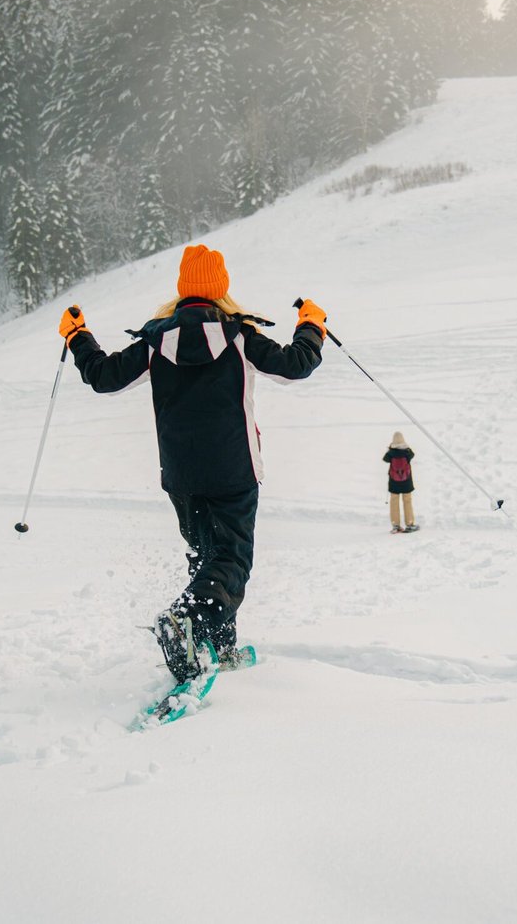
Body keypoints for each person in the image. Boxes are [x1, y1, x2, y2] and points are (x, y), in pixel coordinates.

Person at [61, 244, 326, 683]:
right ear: (220, 290)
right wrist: (311, 324)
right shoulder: (240, 336)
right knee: (231, 560)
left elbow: (104, 377)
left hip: (181, 475)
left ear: (183, 290)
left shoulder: (154, 342)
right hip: (234, 469)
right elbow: (296, 366)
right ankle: (186, 621)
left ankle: (216, 646)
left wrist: (77, 336)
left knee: (209, 557)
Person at [383, 432, 418, 533]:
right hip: (406, 481)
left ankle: (396, 525)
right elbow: (413, 455)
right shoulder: (407, 452)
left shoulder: (391, 453)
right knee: (407, 501)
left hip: (394, 481)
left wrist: (390, 448)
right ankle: (410, 524)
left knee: (394, 501)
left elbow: (385, 459)